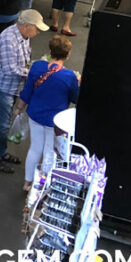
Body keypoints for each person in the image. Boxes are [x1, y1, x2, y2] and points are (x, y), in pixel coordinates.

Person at [0, 9, 48, 174]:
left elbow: (24, 60)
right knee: (1, 125)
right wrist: (33, 73)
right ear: (26, 26)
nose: (38, 32)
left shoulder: (24, 37)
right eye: (36, 28)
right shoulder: (8, 39)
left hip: (13, 87)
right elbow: (9, 68)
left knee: (5, 124)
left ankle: (0, 152)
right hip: (1, 87)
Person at [17, 35, 79, 191]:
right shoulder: (69, 77)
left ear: (50, 51)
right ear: (68, 54)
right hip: (54, 121)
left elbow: (27, 91)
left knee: (35, 148)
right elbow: (75, 98)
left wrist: (19, 107)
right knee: (49, 152)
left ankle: (27, 182)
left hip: (35, 115)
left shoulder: (37, 66)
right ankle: (41, 185)